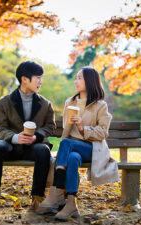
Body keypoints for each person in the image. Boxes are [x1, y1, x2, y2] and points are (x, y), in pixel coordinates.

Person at [0, 61, 56, 213]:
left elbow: (50, 127)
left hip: (34, 146)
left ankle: (38, 200)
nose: (40, 81)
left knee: (44, 150)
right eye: (37, 77)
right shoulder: (3, 102)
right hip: (11, 145)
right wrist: (15, 137)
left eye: (41, 78)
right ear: (24, 79)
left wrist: (37, 136)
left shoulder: (46, 104)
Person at [39, 67, 119, 220]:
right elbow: (66, 130)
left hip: (92, 148)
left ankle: (56, 191)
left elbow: (103, 133)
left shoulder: (100, 105)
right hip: (71, 148)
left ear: (90, 81)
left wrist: (83, 127)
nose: (76, 81)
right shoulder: (70, 102)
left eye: (79, 78)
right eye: (75, 78)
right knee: (72, 158)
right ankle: (70, 204)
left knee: (68, 144)